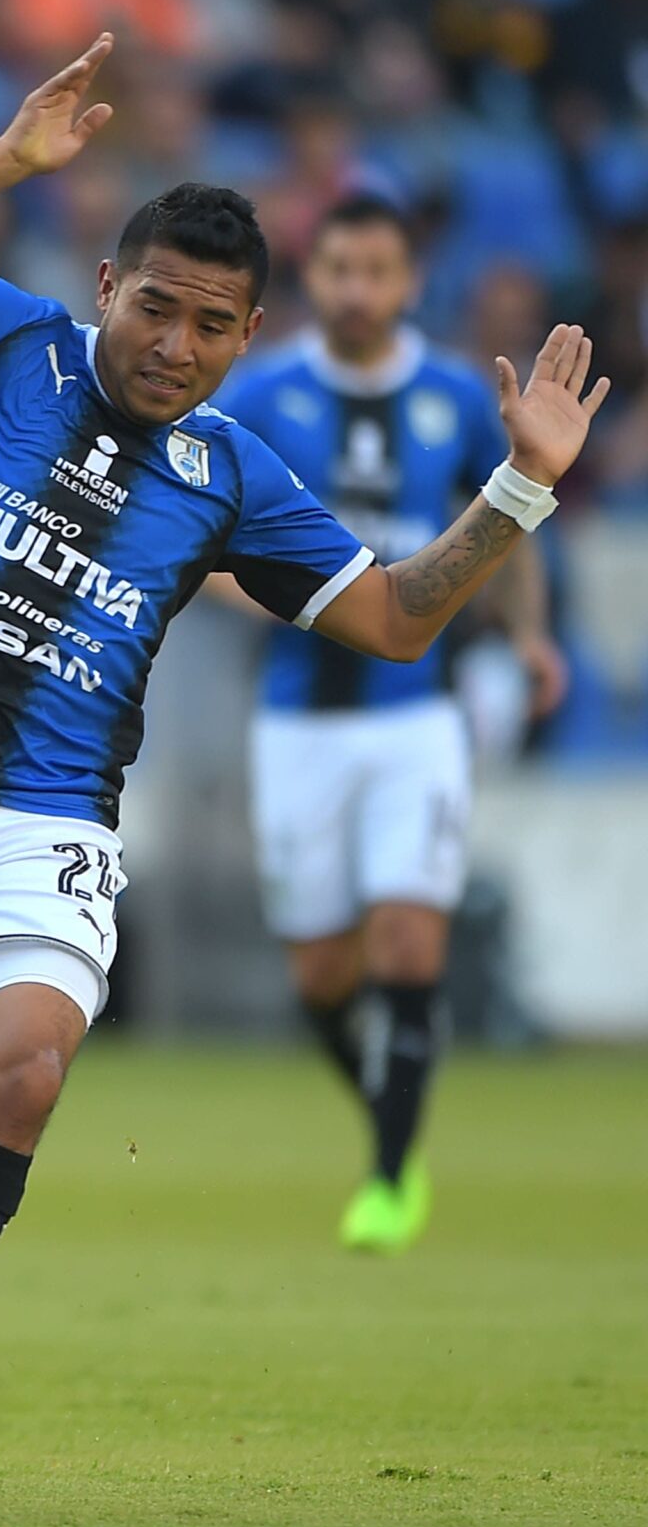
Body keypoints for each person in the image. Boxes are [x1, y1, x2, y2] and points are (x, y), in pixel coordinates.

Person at [0, 33, 608, 1513]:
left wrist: (522, 485)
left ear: (248, 334)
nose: (175, 343)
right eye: (155, 305)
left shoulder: (230, 474)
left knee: (22, 1074)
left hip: (47, 821)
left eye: (212, 324)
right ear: (107, 285)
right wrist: (3, 160)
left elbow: (395, 620)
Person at [207, 193, 563, 1254]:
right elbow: (200, 545)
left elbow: (509, 525)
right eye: (338, 270)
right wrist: (299, 601)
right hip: (297, 721)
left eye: (377, 271)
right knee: (321, 973)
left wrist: (529, 635)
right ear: (311, 280)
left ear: (409, 283)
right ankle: (386, 1113)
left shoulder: (455, 395)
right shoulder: (260, 396)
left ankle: (391, 1172)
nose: (357, 290)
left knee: (409, 936)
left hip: (419, 716)